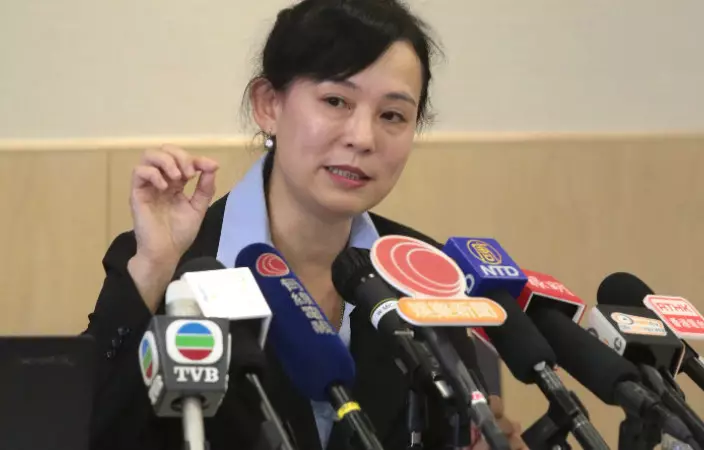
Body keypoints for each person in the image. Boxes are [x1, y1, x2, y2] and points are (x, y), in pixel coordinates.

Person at [84, 0, 529, 449]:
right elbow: (83, 429)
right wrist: (153, 272)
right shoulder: (169, 261)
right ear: (268, 105)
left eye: (392, 115)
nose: (363, 137)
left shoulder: (426, 275)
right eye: (336, 101)